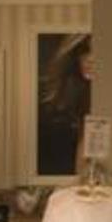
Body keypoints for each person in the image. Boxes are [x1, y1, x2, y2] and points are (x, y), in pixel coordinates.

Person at [38, 34, 93, 176]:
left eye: (96, 52)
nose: (90, 59)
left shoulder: (99, 98)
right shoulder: (58, 106)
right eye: (85, 52)